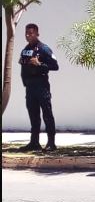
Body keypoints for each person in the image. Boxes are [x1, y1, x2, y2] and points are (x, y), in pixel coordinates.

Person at [18, 23, 59, 152]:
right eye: (26, 33)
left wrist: (40, 64)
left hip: (41, 87)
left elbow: (55, 66)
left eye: (31, 33)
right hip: (30, 88)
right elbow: (23, 67)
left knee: (47, 114)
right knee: (33, 115)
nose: (28, 35)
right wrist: (25, 83)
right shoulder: (25, 50)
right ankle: (34, 142)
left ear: (37, 34)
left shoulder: (44, 49)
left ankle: (51, 143)